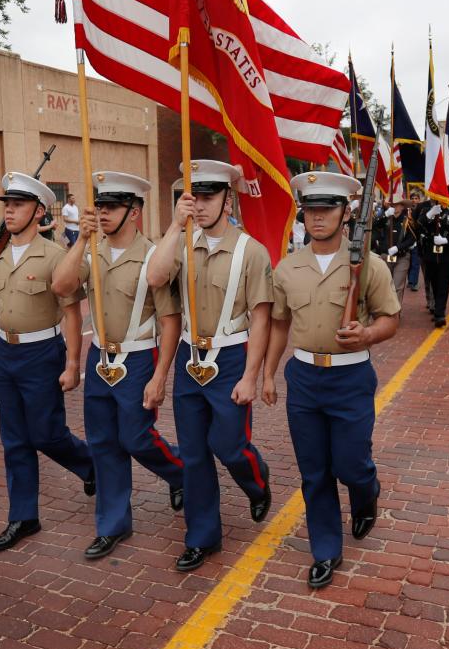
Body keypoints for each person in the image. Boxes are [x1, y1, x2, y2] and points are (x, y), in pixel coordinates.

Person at [0, 171, 96, 552]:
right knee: (14, 440)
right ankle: (23, 516)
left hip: (42, 354)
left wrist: (73, 363)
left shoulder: (55, 256)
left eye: (18, 205)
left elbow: (72, 313)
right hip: (5, 354)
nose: (10, 211)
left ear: (39, 211)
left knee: (46, 434)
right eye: (6, 205)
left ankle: (92, 466)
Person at [262, 172, 400, 589]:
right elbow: (280, 325)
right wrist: (268, 373)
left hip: (351, 377)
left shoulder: (367, 264)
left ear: (345, 213)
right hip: (304, 378)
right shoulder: (288, 268)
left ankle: (366, 490)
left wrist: (369, 334)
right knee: (314, 471)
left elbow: (390, 318)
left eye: (327, 208)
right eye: (311, 209)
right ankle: (325, 549)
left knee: (351, 464)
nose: (318, 216)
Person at [145, 160, 273, 573]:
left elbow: (261, 317)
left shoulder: (251, 251)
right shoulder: (182, 243)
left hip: (231, 357)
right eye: (193, 197)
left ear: (227, 199)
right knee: (196, 454)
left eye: (208, 196)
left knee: (230, 446)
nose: (198, 205)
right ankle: (202, 536)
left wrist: (252, 375)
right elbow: (156, 277)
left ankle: (257, 482)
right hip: (188, 357)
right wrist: (172, 227)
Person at [51, 171, 185, 561]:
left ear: (135, 213)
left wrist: (161, 376)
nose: (104, 213)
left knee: (137, 438)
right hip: (100, 357)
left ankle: (182, 473)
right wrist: (81, 240)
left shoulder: (152, 256)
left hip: (140, 356)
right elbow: (62, 288)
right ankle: (112, 525)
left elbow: (169, 320)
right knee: (104, 444)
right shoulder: (90, 251)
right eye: (101, 206)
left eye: (113, 207)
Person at [415, 196, 449, 328]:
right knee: (434, 282)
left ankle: (440, 313)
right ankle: (437, 309)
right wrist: (429, 214)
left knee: (444, 283)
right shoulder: (426, 211)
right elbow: (418, 226)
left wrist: (447, 240)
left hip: (446, 254)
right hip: (431, 255)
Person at [370, 197, 415, 306]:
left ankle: (395, 312)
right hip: (385, 256)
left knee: (397, 285)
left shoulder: (407, 220)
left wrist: (398, 248)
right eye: (392, 204)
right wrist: (384, 215)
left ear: (402, 206)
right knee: (385, 285)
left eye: (397, 204)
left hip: (401, 256)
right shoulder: (385, 218)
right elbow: (373, 226)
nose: (394, 206)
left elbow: (412, 238)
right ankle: (385, 309)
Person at [406, 189, 423, 291]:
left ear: (419, 200)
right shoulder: (407, 211)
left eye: (416, 198)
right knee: (408, 262)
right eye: (412, 198)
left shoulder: (422, 211)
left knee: (415, 263)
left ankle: (414, 282)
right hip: (407, 241)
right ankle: (410, 280)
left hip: (417, 240)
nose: (414, 200)